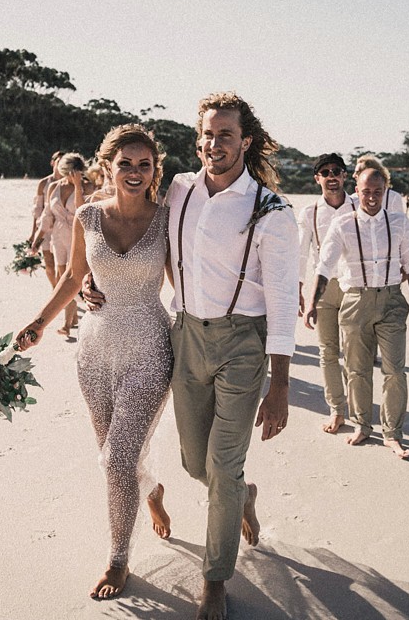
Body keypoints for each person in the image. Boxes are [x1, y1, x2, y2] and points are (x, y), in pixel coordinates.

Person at [85, 91, 298, 620]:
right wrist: (94, 279)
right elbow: (131, 237)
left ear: (245, 141)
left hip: (243, 344)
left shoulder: (272, 211)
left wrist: (281, 384)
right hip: (183, 337)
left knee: (221, 469)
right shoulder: (179, 189)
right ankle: (243, 495)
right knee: (194, 462)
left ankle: (216, 579)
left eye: (225, 134)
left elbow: (283, 301)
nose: (213, 143)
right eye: (206, 133)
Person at [14, 124, 173, 601]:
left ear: (154, 171)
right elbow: (71, 275)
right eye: (125, 163)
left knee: (117, 459)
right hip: (95, 349)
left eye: (144, 165)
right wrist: (40, 323)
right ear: (108, 166)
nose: (135, 172)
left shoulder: (167, 219)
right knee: (114, 458)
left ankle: (118, 559)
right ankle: (151, 492)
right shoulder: (86, 215)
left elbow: (187, 284)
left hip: (149, 347)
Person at [306, 168, 409, 458]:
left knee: (395, 370)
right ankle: (361, 425)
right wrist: (312, 302)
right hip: (355, 301)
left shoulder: (399, 222)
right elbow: (324, 267)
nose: (372, 197)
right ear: (356, 191)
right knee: (357, 370)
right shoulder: (343, 225)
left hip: (391, 300)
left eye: (377, 192)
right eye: (366, 191)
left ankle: (393, 433)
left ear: (385, 191)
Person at [297, 153, 351, 433]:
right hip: (324, 288)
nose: (332, 177)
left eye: (337, 171)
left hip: (356, 287)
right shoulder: (310, 213)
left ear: (344, 176)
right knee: (328, 351)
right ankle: (336, 409)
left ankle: (358, 403)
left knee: (354, 353)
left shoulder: (358, 207)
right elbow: (301, 253)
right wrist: (299, 290)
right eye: (326, 172)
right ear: (317, 178)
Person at [41, 152, 95, 339]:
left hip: (77, 236)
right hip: (58, 236)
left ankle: (66, 324)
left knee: (73, 278)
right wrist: (38, 238)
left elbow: (82, 211)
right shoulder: (54, 187)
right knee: (59, 278)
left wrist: (78, 186)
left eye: (76, 173)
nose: (72, 176)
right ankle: (70, 319)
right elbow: (47, 214)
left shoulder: (88, 187)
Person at [29, 151, 63, 284]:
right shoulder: (44, 183)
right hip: (45, 227)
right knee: (49, 263)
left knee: (62, 263)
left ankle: (62, 293)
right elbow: (37, 209)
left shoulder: (68, 183)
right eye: (58, 161)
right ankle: (55, 289)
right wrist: (33, 233)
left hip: (62, 227)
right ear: (52, 163)